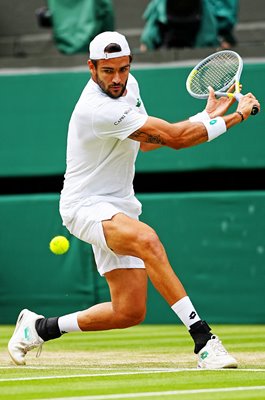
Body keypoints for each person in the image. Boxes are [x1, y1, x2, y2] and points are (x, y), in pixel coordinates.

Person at [8, 31, 260, 369]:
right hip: (84, 205)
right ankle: (204, 341)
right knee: (148, 241)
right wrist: (236, 116)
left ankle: (38, 328)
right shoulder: (97, 110)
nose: (117, 78)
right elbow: (176, 140)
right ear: (91, 68)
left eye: (123, 69)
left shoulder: (131, 88)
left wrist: (206, 117)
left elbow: (150, 141)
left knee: (128, 311)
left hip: (120, 204)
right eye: (108, 70)